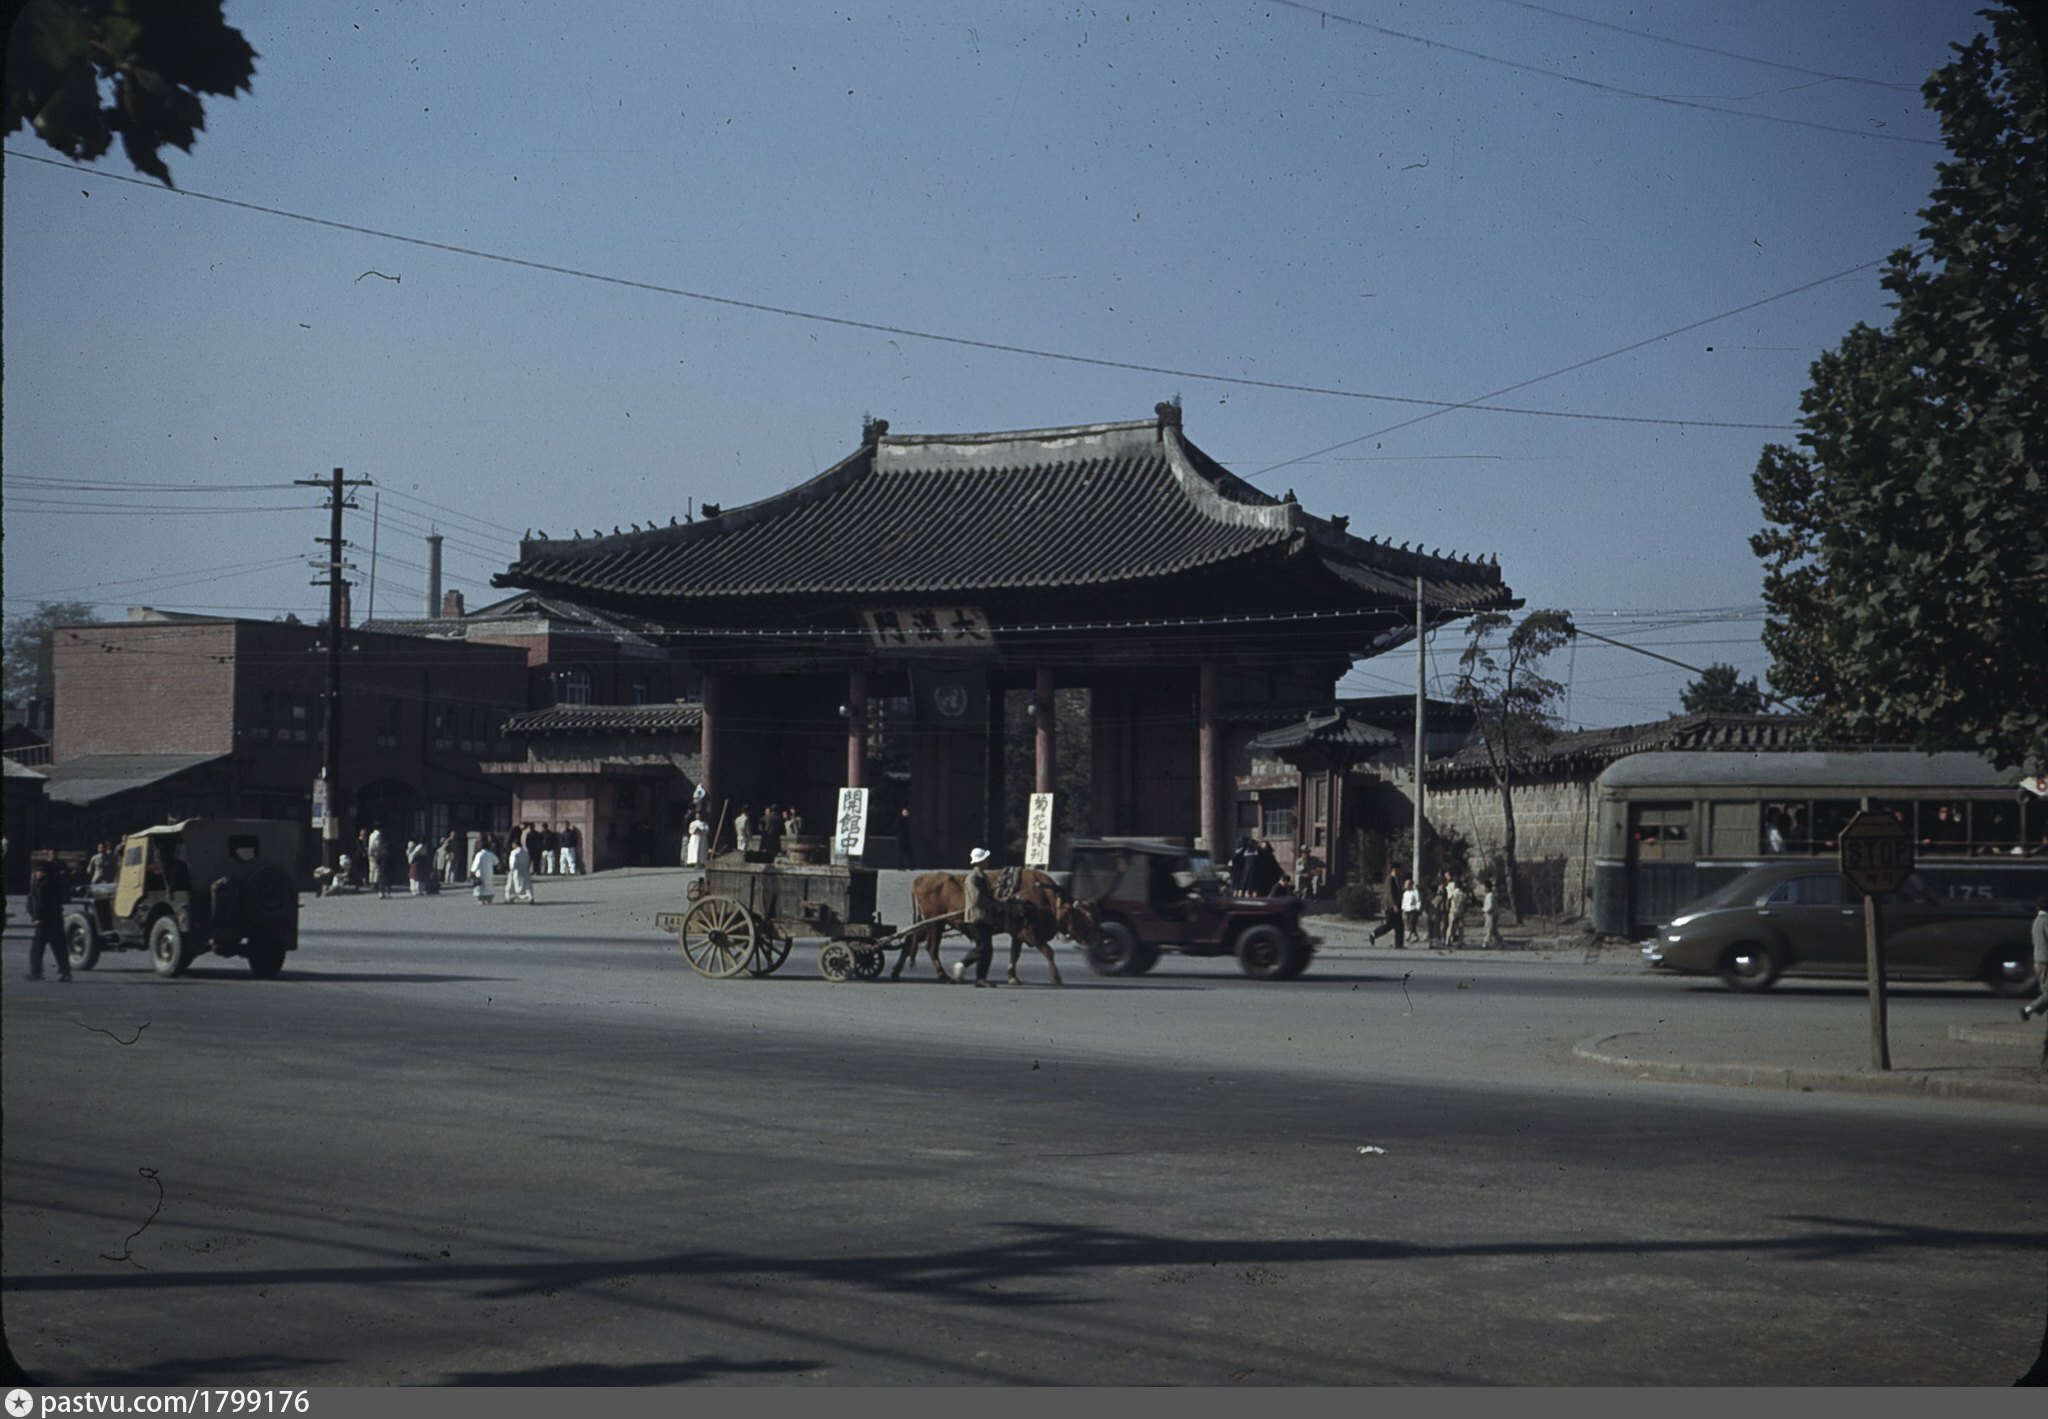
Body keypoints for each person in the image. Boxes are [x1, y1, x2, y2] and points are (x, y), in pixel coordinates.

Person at [950, 847, 999, 987]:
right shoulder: (973, 878)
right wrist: (996, 905)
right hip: (976, 918)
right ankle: (963, 965)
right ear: (980, 862)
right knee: (982, 948)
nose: (988, 862)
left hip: (984, 918)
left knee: (986, 949)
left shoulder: (983, 877)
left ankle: (981, 977)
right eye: (985, 860)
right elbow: (978, 899)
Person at [26, 857, 72, 983]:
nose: (35, 874)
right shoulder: (56, 883)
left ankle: (35, 972)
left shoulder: (43, 884)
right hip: (56, 920)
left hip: (44, 921)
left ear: (43, 871)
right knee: (60, 948)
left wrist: (37, 917)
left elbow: (41, 903)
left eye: (37, 871)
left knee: (37, 949)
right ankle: (65, 972)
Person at [2021, 896, 2048, 1022]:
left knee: (2046, 992)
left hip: (2038, 960)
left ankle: (2029, 1011)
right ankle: (2028, 1010)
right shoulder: (2046, 921)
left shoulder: (2036, 921)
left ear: (2038, 907)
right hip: (2046, 961)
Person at [1369, 865, 1405, 948]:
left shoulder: (1398, 879)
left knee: (1399, 926)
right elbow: (1390, 893)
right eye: (1398, 870)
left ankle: (1399, 944)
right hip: (1390, 906)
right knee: (1389, 924)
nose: (1399, 872)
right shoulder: (1390, 879)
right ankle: (1374, 934)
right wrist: (1394, 905)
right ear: (1394, 869)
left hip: (1398, 905)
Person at [469, 837, 499, 904]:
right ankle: (489, 899)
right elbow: (496, 862)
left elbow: (476, 865)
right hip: (489, 873)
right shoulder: (490, 854)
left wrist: (472, 871)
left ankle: (481, 899)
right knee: (489, 886)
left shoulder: (479, 855)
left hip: (480, 873)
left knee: (481, 887)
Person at [506, 837, 535, 905]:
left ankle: (509, 898)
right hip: (525, 870)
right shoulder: (525, 851)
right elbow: (528, 860)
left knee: (512, 886)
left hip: (516, 871)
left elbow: (512, 863)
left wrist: (511, 870)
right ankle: (530, 896)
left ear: (515, 844)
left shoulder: (514, 852)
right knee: (527, 885)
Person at [1444, 874, 1469, 946]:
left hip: (1452, 911)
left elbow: (1448, 902)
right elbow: (1466, 904)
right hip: (1460, 912)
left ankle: (1447, 940)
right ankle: (1460, 941)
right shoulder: (1463, 894)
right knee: (1460, 927)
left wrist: (1448, 908)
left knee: (1450, 926)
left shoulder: (1452, 894)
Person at [367, 824, 390, 898]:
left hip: (371, 853)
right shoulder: (378, 835)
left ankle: (372, 883)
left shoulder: (371, 834)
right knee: (380, 872)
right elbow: (377, 845)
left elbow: (370, 845)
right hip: (378, 854)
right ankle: (377, 886)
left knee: (372, 870)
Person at [1480, 878, 1504, 947]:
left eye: (1483, 887)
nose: (1483, 889)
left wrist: (1484, 910)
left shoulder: (1490, 896)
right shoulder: (1489, 895)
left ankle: (1485, 942)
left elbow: (1490, 906)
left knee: (1489, 929)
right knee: (1493, 930)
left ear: (1487, 888)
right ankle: (1501, 942)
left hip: (1491, 915)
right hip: (1491, 914)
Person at [1400, 878, 1422, 945]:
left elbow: (1418, 900)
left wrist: (1418, 908)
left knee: (1411, 923)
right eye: (1405, 884)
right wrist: (1403, 908)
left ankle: (1408, 936)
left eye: (1408, 884)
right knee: (1411, 925)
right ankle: (1416, 937)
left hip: (1413, 910)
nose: (1406, 885)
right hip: (1407, 910)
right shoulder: (1405, 893)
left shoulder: (1415, 892)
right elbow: (1404, 901)